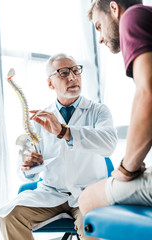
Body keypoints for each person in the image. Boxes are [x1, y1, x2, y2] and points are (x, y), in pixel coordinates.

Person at [0, 53, 117, 240]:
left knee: (92, 226)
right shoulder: (40, 119)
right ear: (50, 84)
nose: (72, 77)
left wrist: (65, 131)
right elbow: (26, 172)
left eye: (76, 71)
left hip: (89, 193)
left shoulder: (98, 111)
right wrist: (28, 166)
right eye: (63, 73)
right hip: (51, 194)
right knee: (8, 216)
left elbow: (108, 144)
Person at [78, 0, 152, 216]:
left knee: (88, 199)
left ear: (113, 8)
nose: (100, 38)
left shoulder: (133, 16)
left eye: (99, 26)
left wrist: (127, 168)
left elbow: (147, 97)